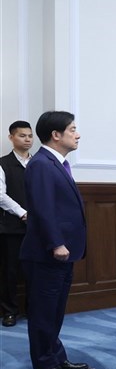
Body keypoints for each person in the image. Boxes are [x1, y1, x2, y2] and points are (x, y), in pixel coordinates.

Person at [19, 111, 88, 369]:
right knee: (43, 311)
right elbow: (43, 209)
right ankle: (45, 367)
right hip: (48, 253)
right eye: (72, 129)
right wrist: (56, 243)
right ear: (56, 135)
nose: (77, 134)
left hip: (62, 254)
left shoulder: (55, 163)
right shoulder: (42, 165)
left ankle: (56, 356)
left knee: (55, 309)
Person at [1, 120, 33, 327]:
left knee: (34, 270)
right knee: (9, 271)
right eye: (22, 135)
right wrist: (22, 213)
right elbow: (0, 195)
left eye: (30, 136)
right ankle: (9, 311)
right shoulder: (2, 163)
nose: (27, 139)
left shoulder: (39, 163)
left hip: (37, 227)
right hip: (10, 228)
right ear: (11, 137)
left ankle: (33, 309)